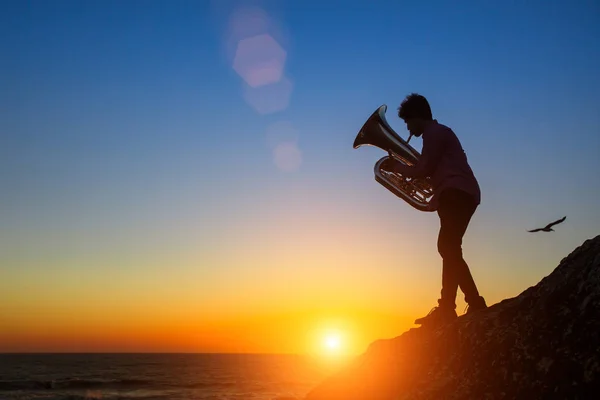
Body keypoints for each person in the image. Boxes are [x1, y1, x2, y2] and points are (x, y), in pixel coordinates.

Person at [393, 93, 488, 327]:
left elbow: (424, 168)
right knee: (449, 248)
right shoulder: (439, 133)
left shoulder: (434, 133)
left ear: (417, 117)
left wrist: (398, 168)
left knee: (447, 247)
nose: (407, 127)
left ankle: (467, 304)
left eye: (407, 121)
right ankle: (452, 307)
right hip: (457, 193)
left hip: (457, 192)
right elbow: (431, 170)